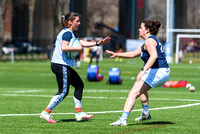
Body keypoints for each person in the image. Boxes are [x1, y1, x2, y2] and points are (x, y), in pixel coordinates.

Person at [40, 12, 110, 123]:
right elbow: (64, 47)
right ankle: (46, 112)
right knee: (63, 92)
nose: (79, 23)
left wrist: (98, 43)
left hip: (62, 64)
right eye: (77, 21)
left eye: (79, 21)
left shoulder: (71, 34)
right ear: (70, 22)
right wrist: (77, 49)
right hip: (60, 64)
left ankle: (79, 113)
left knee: (79, 85)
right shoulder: (67, 33)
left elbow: (81, 42)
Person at [106, 19, 170, 126]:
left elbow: (154, 56)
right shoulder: (149, 41)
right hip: (162, 71)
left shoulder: (149, 41)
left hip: (158, 71)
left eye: (141, 28)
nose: (139, 30)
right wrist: (117, 54)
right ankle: (145, 113)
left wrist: (143, 70)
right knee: (141, 90)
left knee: (133, 93)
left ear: (147, 30)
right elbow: (133, 54)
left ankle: (123, 119)